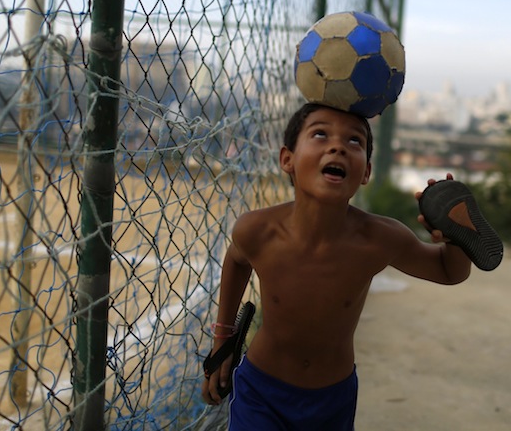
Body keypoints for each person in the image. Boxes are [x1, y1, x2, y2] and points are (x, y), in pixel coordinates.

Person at [201, 102, 482, 430]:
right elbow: (236, 261)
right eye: (320, 134)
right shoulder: (258, 231)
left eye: (354, 142)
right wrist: (223, 339)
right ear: (287, 159)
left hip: (331, 399)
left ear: (365, 172)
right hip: (261, 390)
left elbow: (449, 272)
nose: (337, 146)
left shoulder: (379, 239)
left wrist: (457, 240)